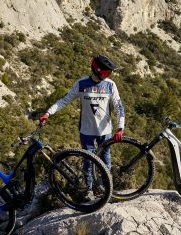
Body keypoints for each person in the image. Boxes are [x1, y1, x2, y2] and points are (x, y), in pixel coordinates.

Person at [39, 54, 125, 197]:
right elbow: (64, 100)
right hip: (87, 131)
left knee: (106, 160)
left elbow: (119, 107)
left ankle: (105, 188)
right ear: (96, 70)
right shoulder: (81, 83)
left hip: (105, 130)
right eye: (106, 72)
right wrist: (48, 113)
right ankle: (89, 190)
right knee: (88, 162)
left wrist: (120, 127)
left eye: (109, 73)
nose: (108, 75)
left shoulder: (110, 85)